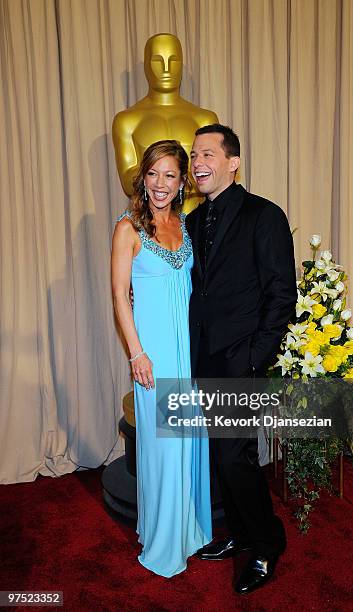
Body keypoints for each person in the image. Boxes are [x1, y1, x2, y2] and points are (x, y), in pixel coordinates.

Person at [186, 124, 297, 594]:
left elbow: (281, 293)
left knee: (236, 457)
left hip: (240, 359)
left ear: (233, 162)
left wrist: (256, 356)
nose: (197, 163)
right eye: (193, 156)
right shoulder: (191, 221)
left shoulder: (263, 215)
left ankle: (268, 545)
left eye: (207, 153)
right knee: (220, 453)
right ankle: (240, 534)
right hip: (202, 356)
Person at [111, 139, 212, 578]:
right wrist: (137, 354)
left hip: (188, 351)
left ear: (181, 181)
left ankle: (188, 530)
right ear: (142, 177)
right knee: (166, 449)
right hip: (153, 356)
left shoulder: (188, 225)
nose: (160, 184)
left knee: (190, 444)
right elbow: (119, 295)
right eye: (153, 173)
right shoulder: (128, 228)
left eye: (169, 175)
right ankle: (163, 541)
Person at [112, 33, 218, 212]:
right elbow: (127, 181)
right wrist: (186, 178)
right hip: (149, 226)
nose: (166, 69)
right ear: (146, 65)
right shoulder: (127, 120)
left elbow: (215, 174)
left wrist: (159, 176)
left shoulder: (205, 119)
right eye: (157, 61)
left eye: (173, 61)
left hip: (198, 226)